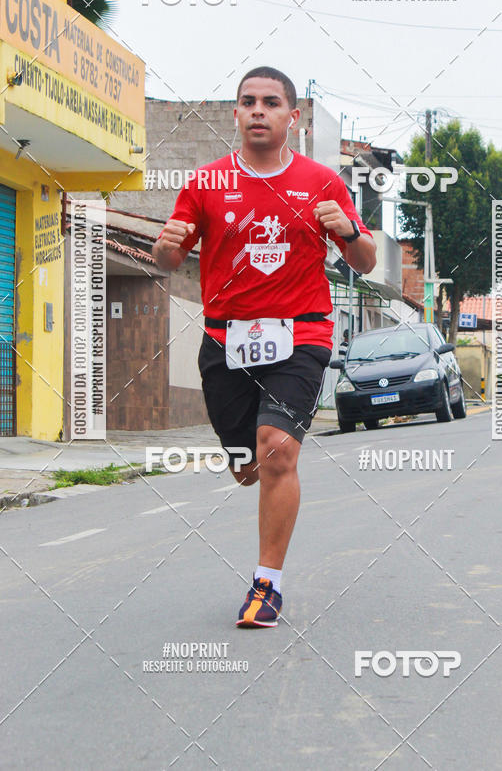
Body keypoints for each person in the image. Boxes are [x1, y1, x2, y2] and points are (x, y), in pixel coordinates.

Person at [152, 66, 376, 628]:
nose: (258, 110)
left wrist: (348, 231)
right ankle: (243, 451)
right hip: (227, 338)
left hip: (301, 332)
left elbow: (366, 261)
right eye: (248, 101)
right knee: (245, 460)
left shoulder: (323, 182)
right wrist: (166, 245)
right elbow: (167, 261)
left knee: (277, 448)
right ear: (235, 114)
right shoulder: (205, 182)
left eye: (271, 102)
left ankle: (267, 585)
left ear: (291, 118)